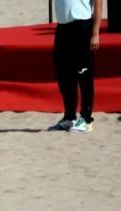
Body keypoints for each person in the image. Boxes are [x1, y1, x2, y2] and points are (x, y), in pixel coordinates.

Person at [49, 0, 103, 133]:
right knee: (64, 74)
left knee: (84, 74)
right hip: (62, 27)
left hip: (82, 26)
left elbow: (98, 3)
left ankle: (86, 118)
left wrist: (95, 32)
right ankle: (69, 116)